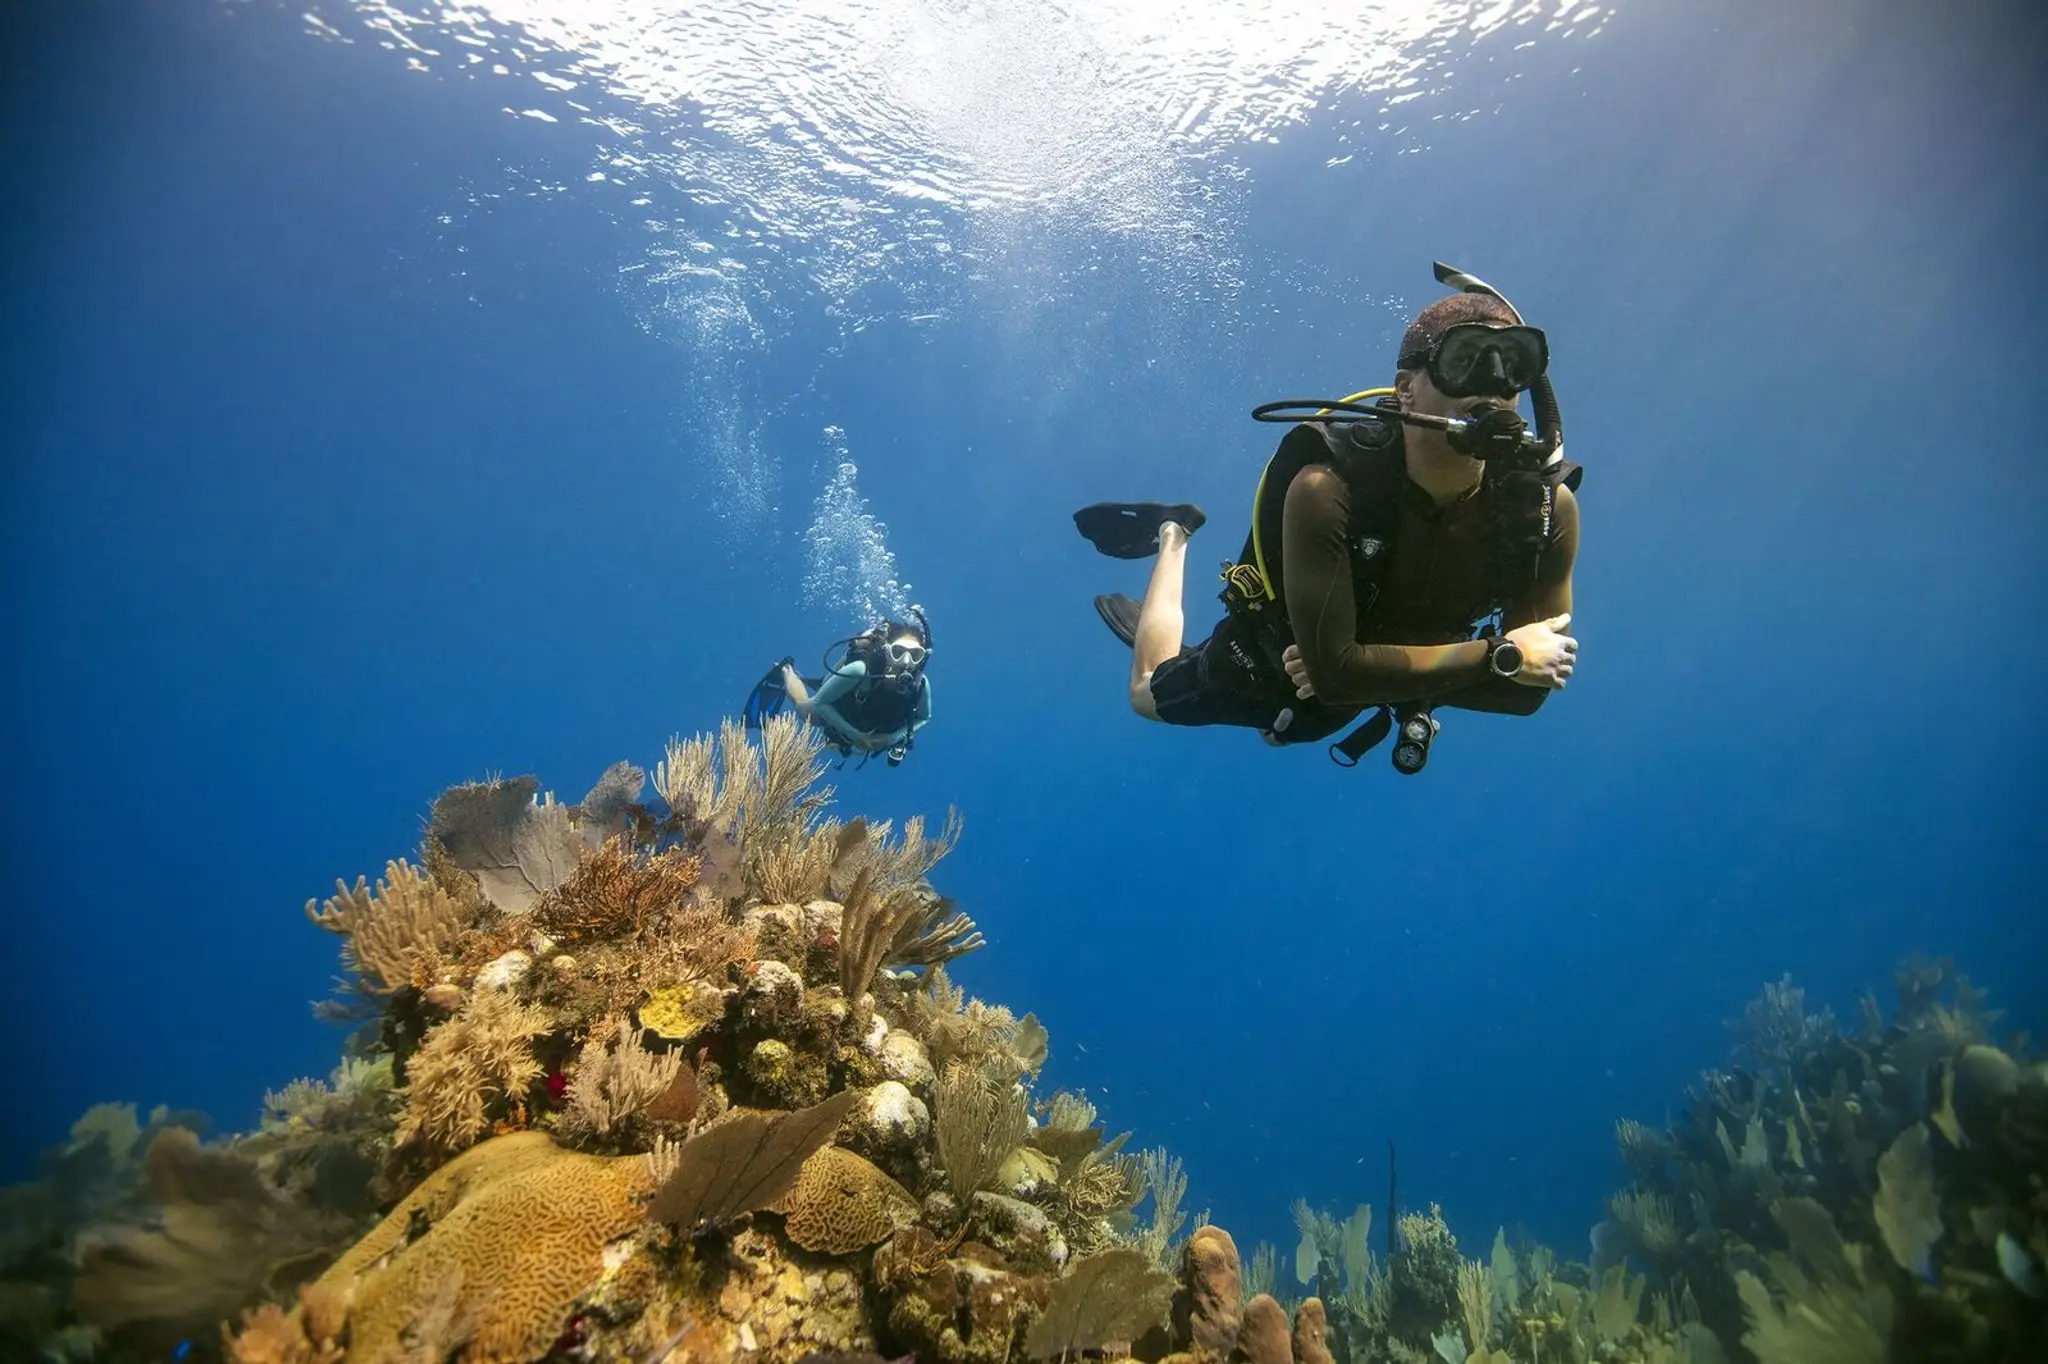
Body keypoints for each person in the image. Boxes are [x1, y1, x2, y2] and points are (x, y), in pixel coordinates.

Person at [1072, 263, 1582, 773]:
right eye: (1464, 360)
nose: (1492, 386)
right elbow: (1348, 675)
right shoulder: (1326, 488)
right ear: (1405, 388)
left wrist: (1360, 669)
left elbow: (1526, 696)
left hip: (1359, 685)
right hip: (1269, 663)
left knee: (1297, 726)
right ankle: (1175, 532)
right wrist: (1498, 657)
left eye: (1513, 364)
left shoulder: (1542, 510)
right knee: (1146, 692)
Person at [744, 610, 934, 766]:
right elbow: (820, 702)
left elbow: (924, 717)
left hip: (874, 725)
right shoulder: (861, 670)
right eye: (899, 652)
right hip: (839, 707)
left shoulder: (920, 685)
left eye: (915, 655)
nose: (906, 662)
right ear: (887, 651)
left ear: (922, 658)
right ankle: (787, 672)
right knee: (806, 712)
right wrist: (856, 736)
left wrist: (891, 739)